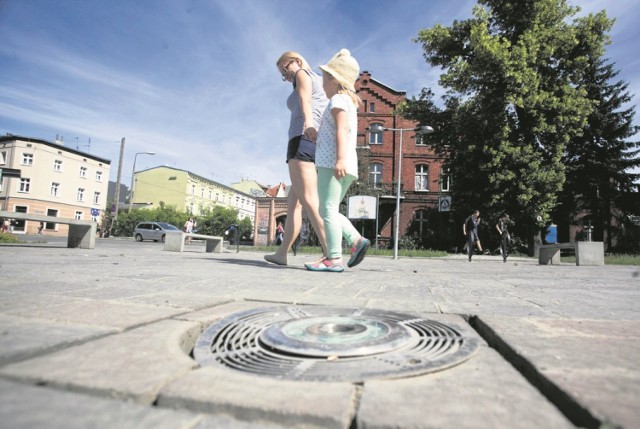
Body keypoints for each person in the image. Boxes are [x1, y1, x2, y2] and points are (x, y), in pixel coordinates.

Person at [306, 49, 370, 273]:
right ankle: (355, 240)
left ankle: (333, 258)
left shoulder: (338, 100)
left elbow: (341, 130)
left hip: (333, 162)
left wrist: (339, 158)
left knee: (327, 209)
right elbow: (337, 130)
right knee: (330, 209)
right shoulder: (347, 102)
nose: (323, 86)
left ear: (336, 80)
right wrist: (316, 134)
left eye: (325, 80)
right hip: (344, 163)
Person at [265, 51, 329, 266]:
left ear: (297, 61)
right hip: (310, 141)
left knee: (310, 201)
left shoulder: (303, 73)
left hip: (302, 138)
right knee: (294, 204)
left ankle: (332, 252)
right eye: (281, 73)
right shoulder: (319, 80)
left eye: (285, 69)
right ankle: (282, 253)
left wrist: (309, 124)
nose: (285, 76)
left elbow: (305, 100)